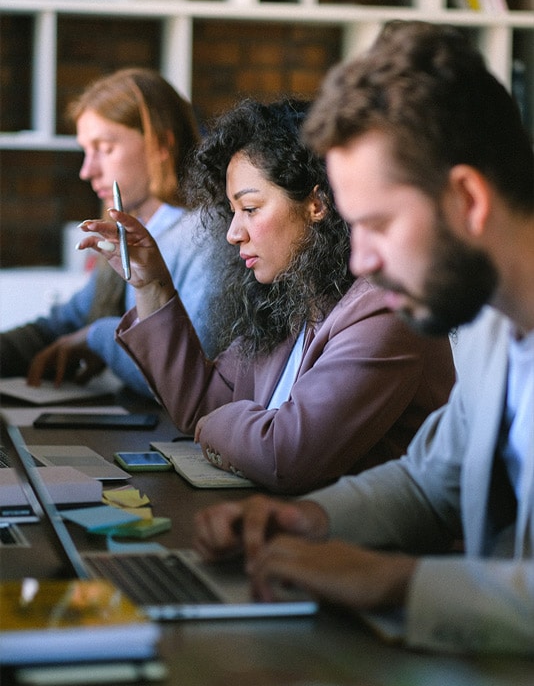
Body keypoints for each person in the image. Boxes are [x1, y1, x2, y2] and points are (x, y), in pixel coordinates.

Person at [192, 21, 534, 654]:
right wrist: (309, 519)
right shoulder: (493, 322)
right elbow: (431, 482)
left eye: (377, 224)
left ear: (467, 199)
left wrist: (397, 582)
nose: (361, 261)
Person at [76, 97, 454, 494]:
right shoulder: (294, 297)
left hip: (369, 549)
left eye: (251, 208)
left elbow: (285, 455)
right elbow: (201, 400)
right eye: (233, 211)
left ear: (317, 202)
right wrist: (151, 283)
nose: (233, 232)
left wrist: (216, 425)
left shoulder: (385, 308)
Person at [0, 67, 228, 397]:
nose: (86, 171)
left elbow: (190, 376)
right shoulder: (134, 233)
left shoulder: (208, 235)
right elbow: (60, 326)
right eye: (85, 151)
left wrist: (99, 337)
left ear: (161, 144)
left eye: (104, 148)